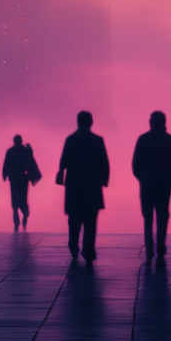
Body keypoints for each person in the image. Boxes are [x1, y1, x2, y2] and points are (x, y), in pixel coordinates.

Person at [57, 110, 111, 264]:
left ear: (78, 122)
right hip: (92, 186)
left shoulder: (71, 139)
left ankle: (73, 245)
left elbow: (63, 161)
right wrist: (104, 180)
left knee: (74, 219)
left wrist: (61, 173)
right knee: (90, 221)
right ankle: (88, 249)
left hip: (74, 185)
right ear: (91, 122)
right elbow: (104, 162)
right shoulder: (97, 140)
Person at [131, 110, 171, 262]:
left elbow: (135, 164)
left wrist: (142, 178)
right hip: (164, 185)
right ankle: (160, 248)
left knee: (148, 218)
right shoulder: (170, 140)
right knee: (162, 217)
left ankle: (149, 250)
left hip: (147, 185)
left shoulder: (143, 139)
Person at [1, 135, 41, 232]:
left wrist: (5, 174)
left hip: (16, 179)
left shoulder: (11, 151)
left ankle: (18, 220)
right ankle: (24, 215)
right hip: (22, 178)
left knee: (16, 200)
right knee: (21, 199)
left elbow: (6, 164)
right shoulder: (25, 151)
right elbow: (31, 163)